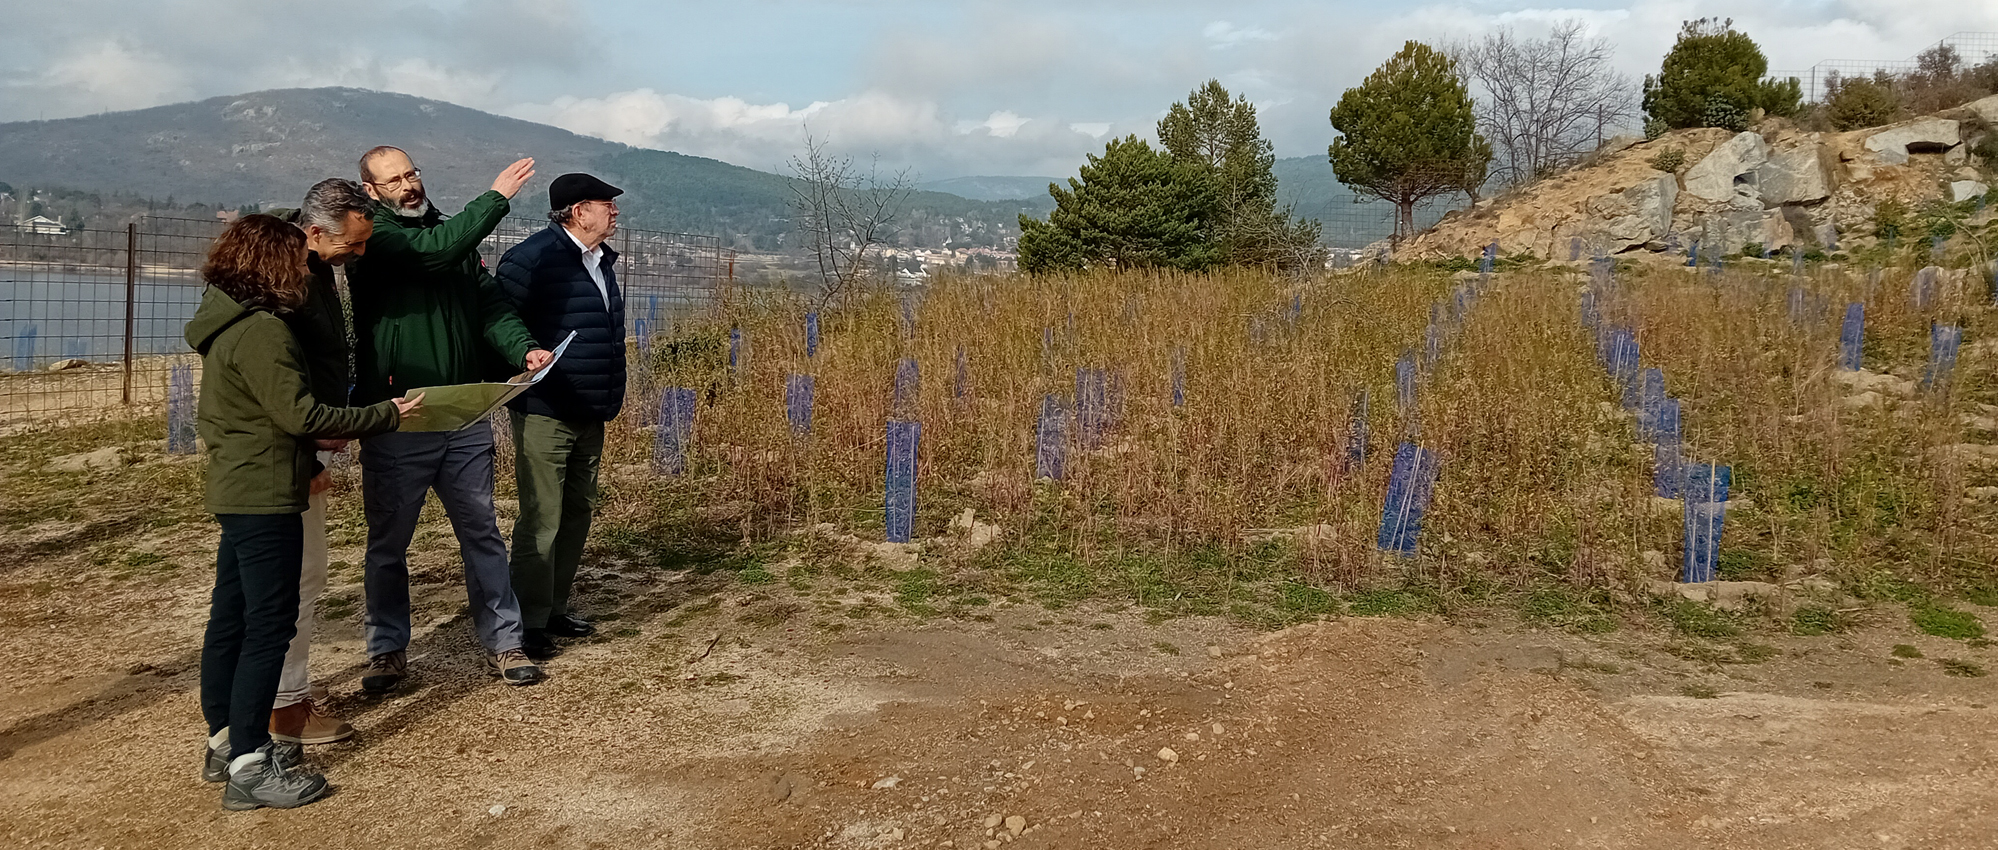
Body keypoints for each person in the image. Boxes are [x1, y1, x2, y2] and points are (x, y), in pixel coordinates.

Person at [188, 214, 420, 810]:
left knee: (232, 617)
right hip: (266, 492)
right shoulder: (264, 331)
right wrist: (386, 414)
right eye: (297, 257)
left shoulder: (226, 324)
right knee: (269, 624)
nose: (307, 267)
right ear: (272, 263)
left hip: (239, 487)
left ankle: (223, 743)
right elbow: (304, 417)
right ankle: (249, 761)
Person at [347, 146, 553, 689]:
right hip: (400, 415)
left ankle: (506, 643)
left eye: (411, 174)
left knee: (482, 531)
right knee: (389, 541)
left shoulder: (451, 233)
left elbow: (489, 305)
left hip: (463, 414)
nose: (408, 186)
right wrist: (496, 198)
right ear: (370, 191)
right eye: (393, 181)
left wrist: (523, 349)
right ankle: (387, 650)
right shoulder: (377, 239)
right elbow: (432, 253)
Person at [493, 174, 627, 659]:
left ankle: (553, 607)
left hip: (591, 409)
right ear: (576, 210)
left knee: (576, 512)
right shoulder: (533, 259)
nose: (613, 210)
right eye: (604, 203)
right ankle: (525, 623)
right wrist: (523, 358)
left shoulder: (600, 261)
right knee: (542, 517)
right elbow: (497, 320)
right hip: (546, 409)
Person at [261, 178, 375, 748]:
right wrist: (310, 452)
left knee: (292, 580)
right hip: (284, 459)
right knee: (298, 580)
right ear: (313, 232)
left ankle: (278, 700)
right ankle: (285, 708)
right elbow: (283, 389)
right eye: (350, 246)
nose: (357, 256)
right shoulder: (287, 284)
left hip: (297, 447)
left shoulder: (306, 267)